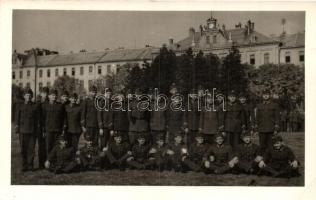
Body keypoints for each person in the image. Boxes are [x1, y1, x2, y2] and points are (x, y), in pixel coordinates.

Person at [15, 88, 39, 172]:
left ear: (31, 96)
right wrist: (17, 127)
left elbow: (37, 119)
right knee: (23, 149)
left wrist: (37, 129)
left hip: (32, 130)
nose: (28, 97)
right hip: (23, 130)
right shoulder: (20, 105)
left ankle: (30, 165)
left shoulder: (35, 105)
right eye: (26, 95)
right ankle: (24, 165)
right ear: (24, 96)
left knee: (31, 149)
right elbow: (17, 117)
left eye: (29, 95)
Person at [42, 89, 66, 156]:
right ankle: (49, 162)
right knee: (49, 146)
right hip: (48, 129)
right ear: (49, 96)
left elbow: (63, 118)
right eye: (52, 95)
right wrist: (44, 130)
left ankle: (56, 163)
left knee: (57, 146)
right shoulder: (45, 106)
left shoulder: (60, 105)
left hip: (57, 130)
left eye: (55, 95)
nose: (54, 97)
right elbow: (43, 118)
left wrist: (63, 128)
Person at [36, 86, 49, 169]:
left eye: (46, 93)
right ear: (41, 94)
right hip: (41, 128)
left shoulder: (49, 104)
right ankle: (41, 164)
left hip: (49, 128)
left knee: (48, 146)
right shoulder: (39, 104)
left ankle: (47, 163)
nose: (45, 95)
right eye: (43, 93)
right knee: (41, 146)